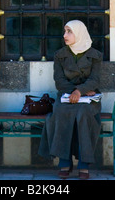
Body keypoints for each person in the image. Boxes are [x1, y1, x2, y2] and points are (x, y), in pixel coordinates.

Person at [38, 20, 102, 180]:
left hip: (88, 98)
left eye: (69, 31)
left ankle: (84, 164)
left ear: (79, 33)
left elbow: (95, 80)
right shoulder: (60, 55)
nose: (65, 35)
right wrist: (73, 92)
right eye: (65, 31)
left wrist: (80, 91)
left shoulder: (95, 55)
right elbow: (59, 81)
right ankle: (64, 161)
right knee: (60, 111)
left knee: (84, 113)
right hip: (67, 96)